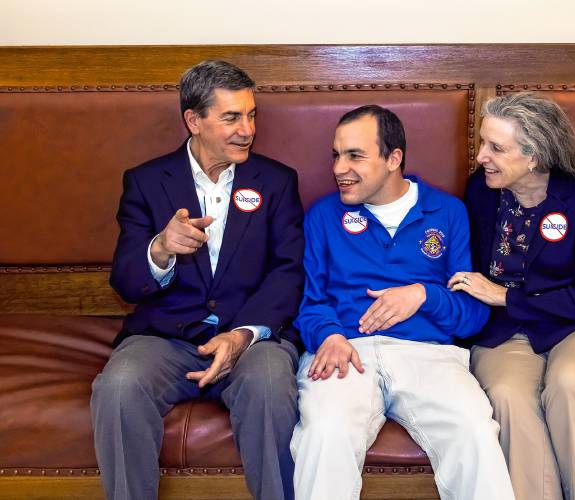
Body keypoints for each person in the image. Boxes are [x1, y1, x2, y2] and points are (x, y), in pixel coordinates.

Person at [91, 60, 304, 500]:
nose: (247, 129)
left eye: (251, 115)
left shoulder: (278, 181)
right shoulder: (146, 182)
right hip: (165, 338)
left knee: (269, 385)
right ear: (194, 120)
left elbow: (288, 271)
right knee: (117, 387)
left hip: (251, 339)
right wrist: (161, 248)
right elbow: (126, 283)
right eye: (231, 117)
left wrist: (243, 335)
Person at [290, 105, 515, 500]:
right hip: (346, 352)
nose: (339, 168)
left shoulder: (447, 212)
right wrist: (328, 337)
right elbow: (310, 303)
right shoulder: (323, 216)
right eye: (336, 155)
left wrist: (423, 295)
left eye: (355, 155)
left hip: (428, 355)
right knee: (325, 433)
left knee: (475, 430)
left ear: (394, 158)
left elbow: (471, 317)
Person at [448, 92, 575, 500]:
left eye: (496, 148)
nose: (482, 156)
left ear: (534, 156)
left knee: (570, 384)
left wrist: (506, 298)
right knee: (508, 396)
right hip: (506, 334)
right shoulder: (480, 191)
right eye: (483, 143)